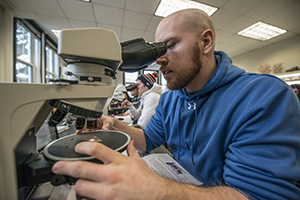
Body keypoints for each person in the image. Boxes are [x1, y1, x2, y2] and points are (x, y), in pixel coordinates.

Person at [52, 9, 300, 200]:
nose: (159, 59)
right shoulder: (171, 98)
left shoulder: (264, 95)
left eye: (170, 46)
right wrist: (115, 124)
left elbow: (258, 195)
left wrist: (155, 189)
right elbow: (148, 140)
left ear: (206, 42)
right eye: (157, 49)